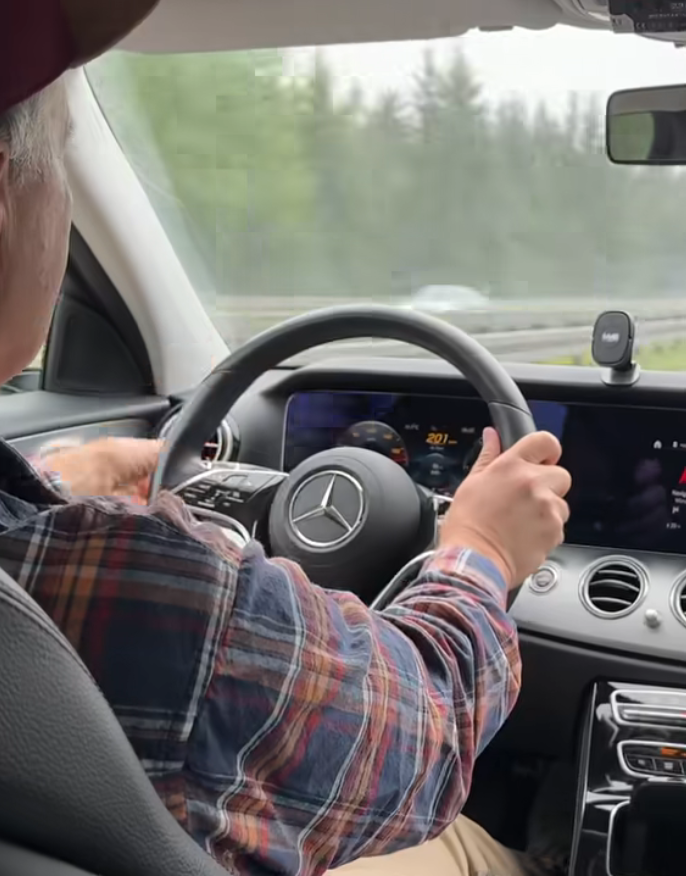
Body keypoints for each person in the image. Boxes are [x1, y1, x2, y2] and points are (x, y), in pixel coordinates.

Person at [0, 3, 572, 875]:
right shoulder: (158, 589)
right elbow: (424, 732)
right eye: (65, 157)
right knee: (468, 845)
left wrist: (53, 481)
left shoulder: (43, 560)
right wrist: (484, 550)